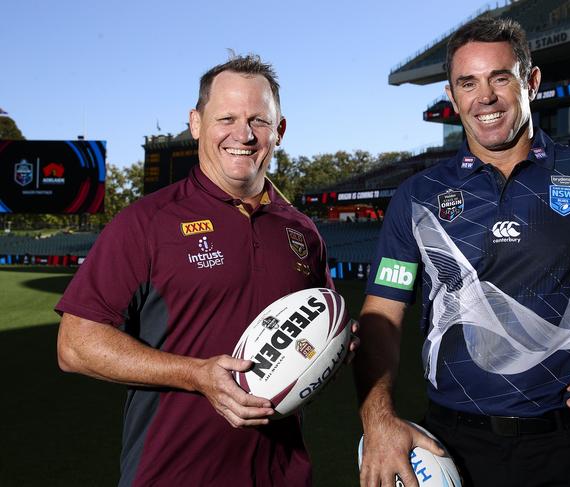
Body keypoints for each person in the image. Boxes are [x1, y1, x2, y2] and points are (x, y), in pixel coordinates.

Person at [354, 17, 570, 487]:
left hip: (565, 446)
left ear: (531, 81)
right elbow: (382, 314)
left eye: (499, 78)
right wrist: (378, 416)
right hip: (451, 444)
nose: (484, 98)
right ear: (452, 97)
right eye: (467, 83)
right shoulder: (417, 196)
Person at [57, 54, 354, 486]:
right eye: (226, 118)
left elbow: (317, 328)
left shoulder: (302, 231)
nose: (244, 135)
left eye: (259, 120)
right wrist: (195, 374)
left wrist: (337, 343)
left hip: (283, 476)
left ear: (280, 130)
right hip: (170, 475)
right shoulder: (145, 222)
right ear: (196, 123)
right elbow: (75, 345)